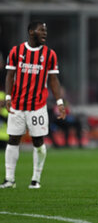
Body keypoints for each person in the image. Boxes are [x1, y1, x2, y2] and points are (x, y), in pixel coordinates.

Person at [0, 21, 66, 189]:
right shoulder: (16, 52)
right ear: (31, 31)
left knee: (38, 141)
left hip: (37, 106)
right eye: (41, 30)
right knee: (13, 140)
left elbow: (53, 79)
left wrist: (59, 102)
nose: (44, 33)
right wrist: (8, 96)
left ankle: (36, 178)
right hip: (17, 105)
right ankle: (9, 179)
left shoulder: (50, 55)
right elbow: (9, 75)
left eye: (45, 31)